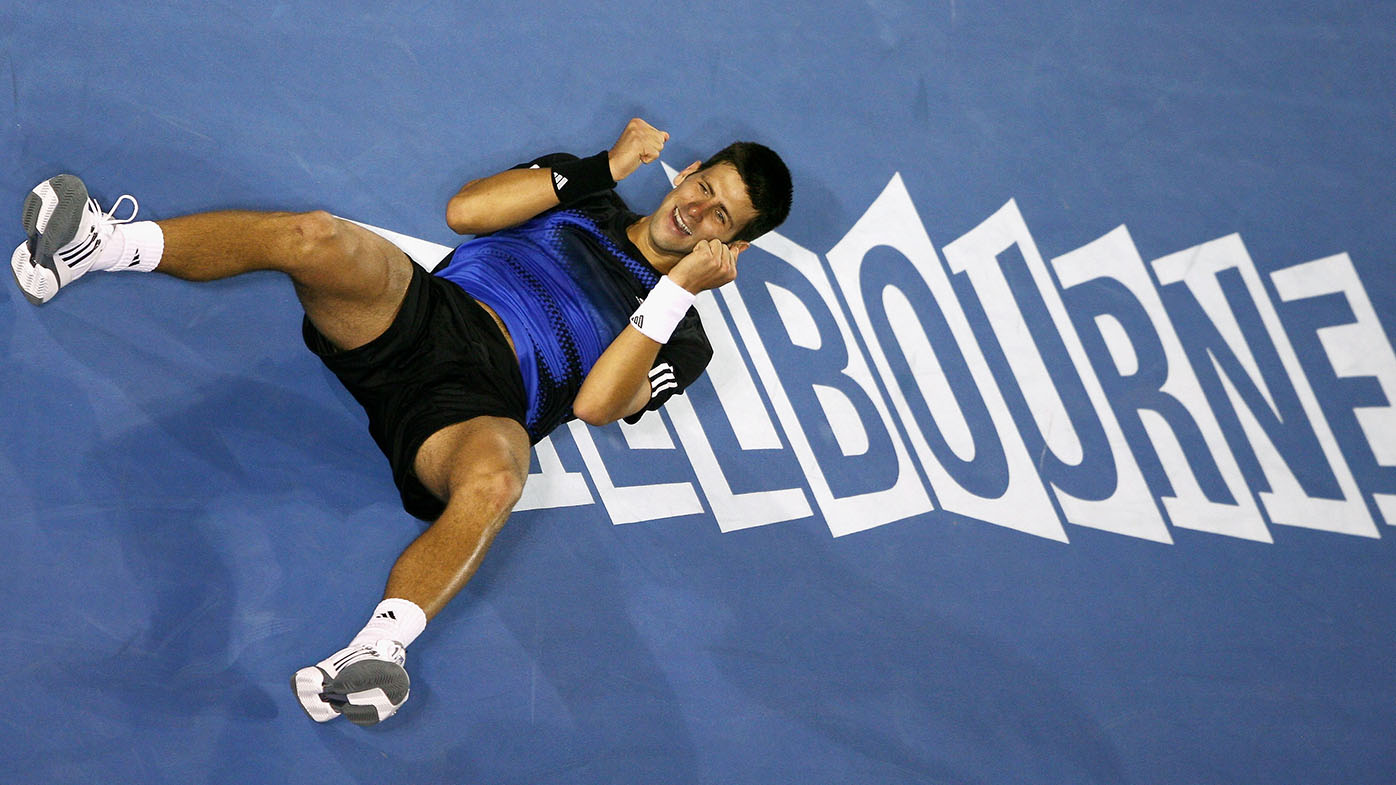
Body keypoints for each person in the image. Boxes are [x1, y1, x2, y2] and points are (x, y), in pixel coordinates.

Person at [10, 118, 793, 726]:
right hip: (421, 314)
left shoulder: (682, 337)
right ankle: (92, 245)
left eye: (721, 216)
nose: (697, 211)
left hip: (473, 411)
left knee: (500, 475)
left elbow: (593, 405)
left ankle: (374, 654)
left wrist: (675, 293)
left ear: (734, 246)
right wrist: (604, 166)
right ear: (687, 170)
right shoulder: (588, 194)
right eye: (704, 186)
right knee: (314, 234)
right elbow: (466, 211)